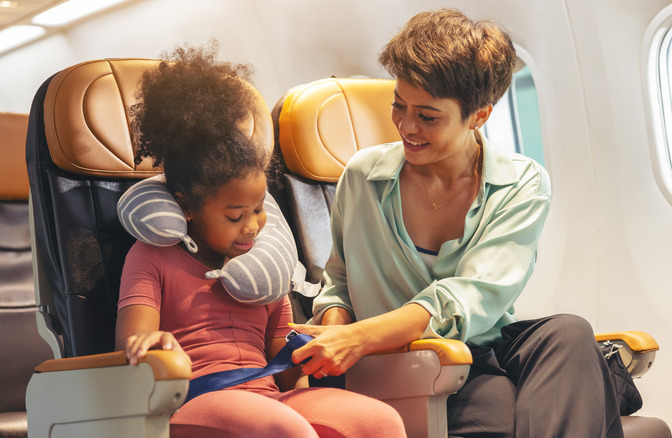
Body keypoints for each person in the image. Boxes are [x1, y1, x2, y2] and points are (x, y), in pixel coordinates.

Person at [290, 9, 624, 438]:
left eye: (427, 117)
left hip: (476, 351)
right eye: (398, 106)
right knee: (498, 403)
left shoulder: (520, 184)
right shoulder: (362, 176)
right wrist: (335, 337)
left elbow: (472, 298)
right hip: (397, 360)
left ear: (479, 116)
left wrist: (359, 337)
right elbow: (338, 282)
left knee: (570, 334)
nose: (406, 126)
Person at [115, 43, 406, 438]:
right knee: (284, 429)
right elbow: (131, 344)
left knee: (380, 423)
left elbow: (285, 376)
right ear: (187, 207)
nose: (252, 227)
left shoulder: (262, 268)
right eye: (235, 216)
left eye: (258, 209)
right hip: (188, 399)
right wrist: (151, 342)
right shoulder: (152, 256)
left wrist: (301, 354)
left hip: (268, 396)